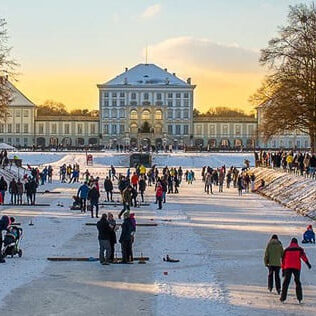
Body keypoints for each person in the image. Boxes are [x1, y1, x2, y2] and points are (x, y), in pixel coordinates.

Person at [280, 238, 312, 303]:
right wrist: (308, 263)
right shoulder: (299, 249)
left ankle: (283, 298)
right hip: (296, 267)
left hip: (287, 267)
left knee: (286, 282)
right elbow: (304, 257)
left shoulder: (286, 250)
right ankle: (299, 298)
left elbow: (283, 260)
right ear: (297, 243)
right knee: (297, 281)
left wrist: (283, 270)